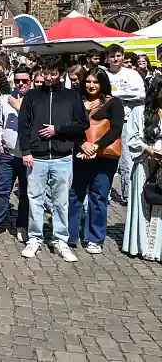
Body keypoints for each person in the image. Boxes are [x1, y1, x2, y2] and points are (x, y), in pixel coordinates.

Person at [18, 57, 89, 262]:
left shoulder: (71, 96)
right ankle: (35, 237)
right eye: (46, 73)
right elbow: (24, 125)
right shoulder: (32, 96)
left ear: (61, 74)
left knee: (61, 201)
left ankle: (60, 240)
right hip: (37, 155)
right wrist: (26, 150)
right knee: (35, 199)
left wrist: (58, 131)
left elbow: (82, 124)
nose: (49, 77)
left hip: (62, 156)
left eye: (53, 73)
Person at [69, 67, 124, 253]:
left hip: (104, 156)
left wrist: (96, 145)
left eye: (96, 82)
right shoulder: (76, 100)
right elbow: (69, 127)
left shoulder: (113, 103)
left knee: (99, 196)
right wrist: (82, 144)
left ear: (102, 84)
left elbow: (116, 129)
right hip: (80, 154)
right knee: (75, 194)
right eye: (88, 81)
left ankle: (94, 238)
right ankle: (71, 233)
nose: (91, 85)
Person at [0, 66, 31, 243]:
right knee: (2, 188)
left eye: (25, 81)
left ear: (31, 81)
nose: (21, 84)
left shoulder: (35, 99)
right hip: (7, 152)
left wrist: (20, 108)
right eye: (18, 81)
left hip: (27, 154)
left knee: (26, 192)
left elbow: (34, 123)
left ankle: (22, 225)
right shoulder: (6, 99)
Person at [122, 75, 162, 261]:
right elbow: (131, 138)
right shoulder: (139, 111)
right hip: (145, 161)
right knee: (144, 201)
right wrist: (149, 150)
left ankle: (158, 248)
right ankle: (142, 245)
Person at [105, 44, 146, 203]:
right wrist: (125, 94)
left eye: (118, 56)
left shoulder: (132, 74)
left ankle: (128, 195)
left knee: (127, 160)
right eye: (112, 56)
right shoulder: (104, 74)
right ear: (107, 58)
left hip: (127, 120)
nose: (115, 59)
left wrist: (116, 94)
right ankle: (105, 193)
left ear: (122, 56)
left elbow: (141, 94)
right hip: (107, 122)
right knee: (107, 157)